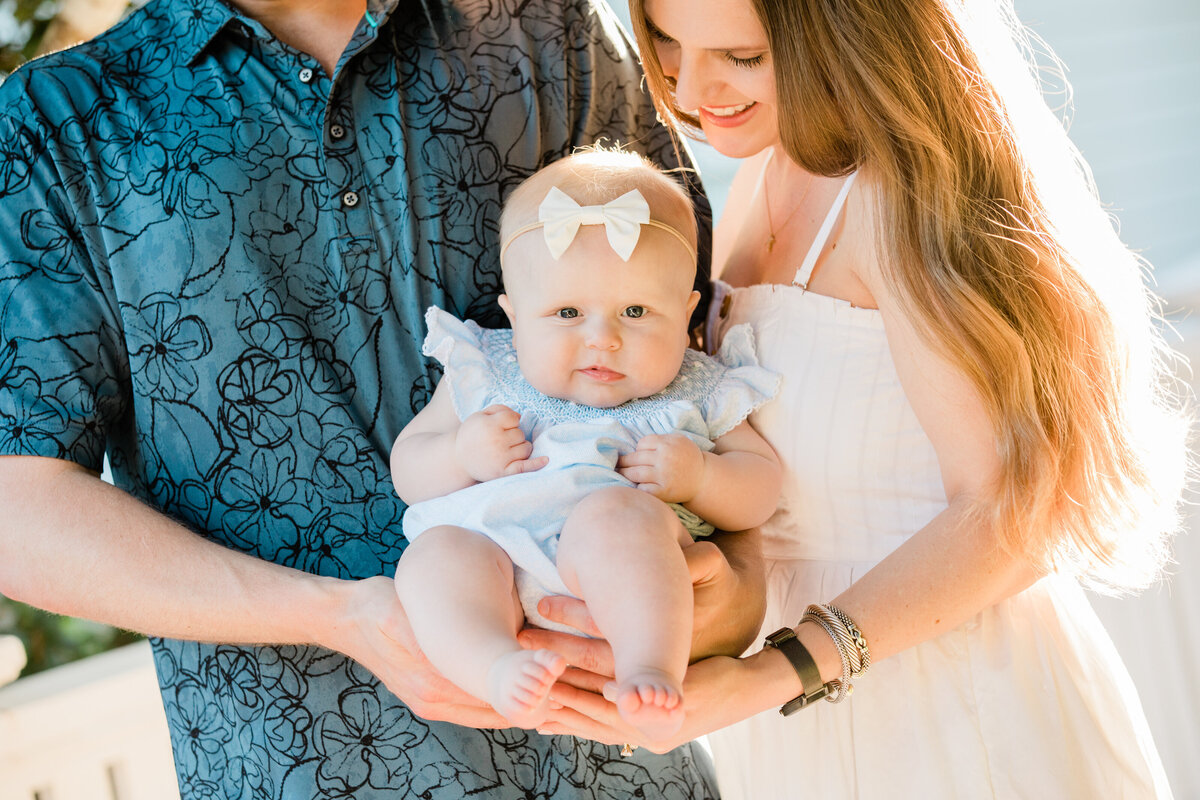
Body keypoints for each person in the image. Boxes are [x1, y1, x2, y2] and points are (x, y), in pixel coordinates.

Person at [0, 1, 769, 797]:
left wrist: (738, 588)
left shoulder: (548, 29)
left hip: (625, 770)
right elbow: (14, 502)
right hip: (304, 772)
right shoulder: (57, 126)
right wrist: (342, 616)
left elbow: (693, 350)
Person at [523, 0, 1191, 796]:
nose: (693, 87)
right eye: (668, 41)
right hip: (785, 717)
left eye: (739, 55)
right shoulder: (762, 181)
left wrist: (777, 671)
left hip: (945, 700)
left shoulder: (901, 195)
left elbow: (1017, 511)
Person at [391, 149, 782, 739]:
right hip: (491, 554)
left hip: (622, 576)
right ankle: (496, 666)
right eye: (567, 312)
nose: (603, 339)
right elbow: (409, 467)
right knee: (434, 556)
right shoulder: (485, 369)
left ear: (685, 314)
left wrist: (702, 476)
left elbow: (761, 489)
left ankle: (649, 670)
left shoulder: (700, 386)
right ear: (514, 317)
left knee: (616, 514)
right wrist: (459, 455)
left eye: (635, 311)